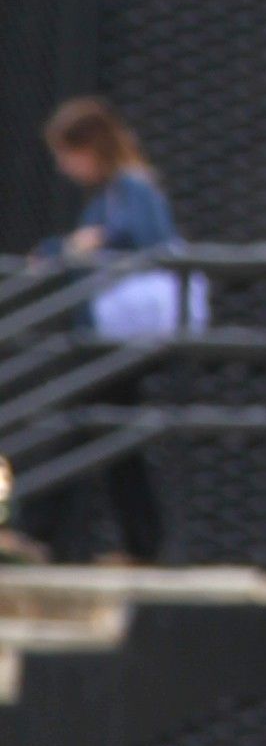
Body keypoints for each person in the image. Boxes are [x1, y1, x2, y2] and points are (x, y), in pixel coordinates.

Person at [27, 96, 181, 561]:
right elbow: (79, 245)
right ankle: (143, 546)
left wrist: (97, 241)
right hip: (113, 337)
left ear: (89, 148)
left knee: (85, 425)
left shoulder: (131, 189)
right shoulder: (113, 194)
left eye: (67, 154)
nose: (64, 167)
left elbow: (149, 241)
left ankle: (38, 530)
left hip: (122, 337)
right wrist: (59, 250)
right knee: (114, 439)